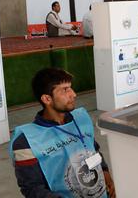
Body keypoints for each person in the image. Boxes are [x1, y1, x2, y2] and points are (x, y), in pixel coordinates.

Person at [9, 68, 115, 197]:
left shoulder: (80, 119)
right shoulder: (26, 141)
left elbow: (93, 149)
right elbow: (31, 188)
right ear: (47, 99)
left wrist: (104, 171)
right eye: (65, 90)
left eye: (71, 88)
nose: (73, 94)